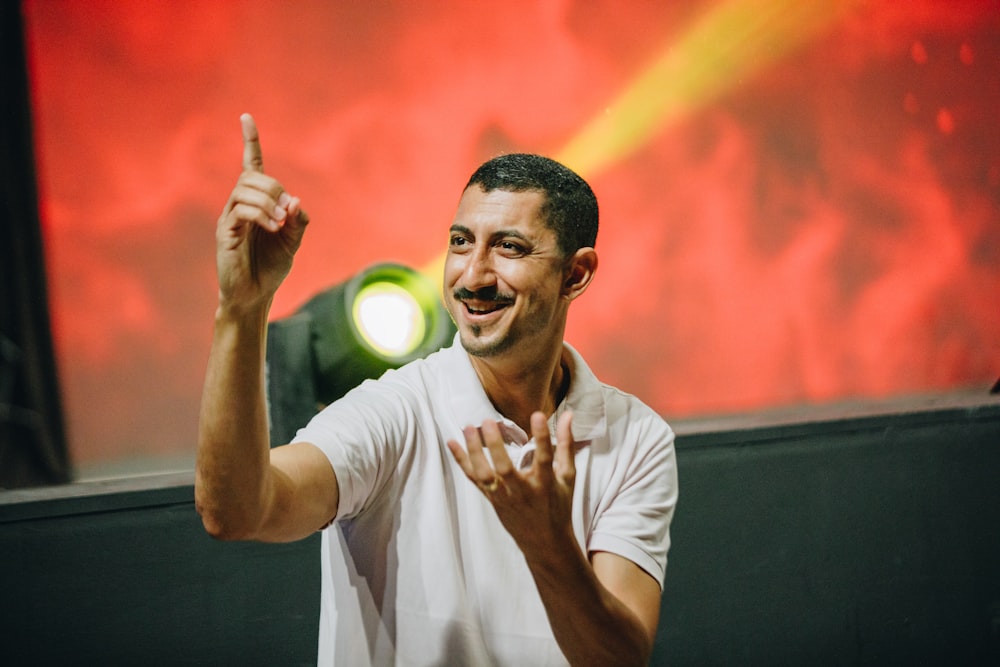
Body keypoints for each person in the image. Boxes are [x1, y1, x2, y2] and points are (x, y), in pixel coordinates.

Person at [196, 113, 678, 666]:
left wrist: (548, 545)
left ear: (576, 274)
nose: (472, 275)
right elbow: (236, 512)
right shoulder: (393, 413)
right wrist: (241, 307)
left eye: (510, 248)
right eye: (460, 241)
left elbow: (620, 661)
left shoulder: (637, 437)